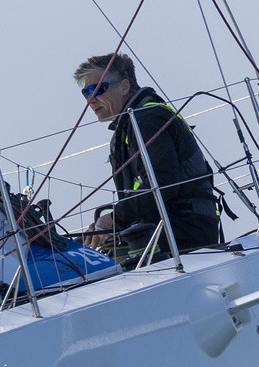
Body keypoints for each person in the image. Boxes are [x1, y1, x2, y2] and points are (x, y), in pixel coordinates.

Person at [74, 52, 220, 259]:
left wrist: (115, 219)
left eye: (98, 89)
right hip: (161, 231)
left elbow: (161, 183)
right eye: (86, 93)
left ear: (124, 86)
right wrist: (109, 225)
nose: (91, 99)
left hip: (184, 232)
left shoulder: (147, 119)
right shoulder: (130, 124)